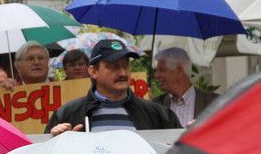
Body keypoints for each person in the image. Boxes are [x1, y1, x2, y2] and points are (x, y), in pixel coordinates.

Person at [46, 39, 181, 135]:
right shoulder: (66, 114)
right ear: (93, 72)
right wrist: (57, 142)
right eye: (113, 66)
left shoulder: (160, 115)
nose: (123, 73)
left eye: (125, 65)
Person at [152, 47, 218, 127]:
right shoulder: (155, 106)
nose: (156, 75)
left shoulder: (215, 103)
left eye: (162, 70)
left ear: (179, 70)